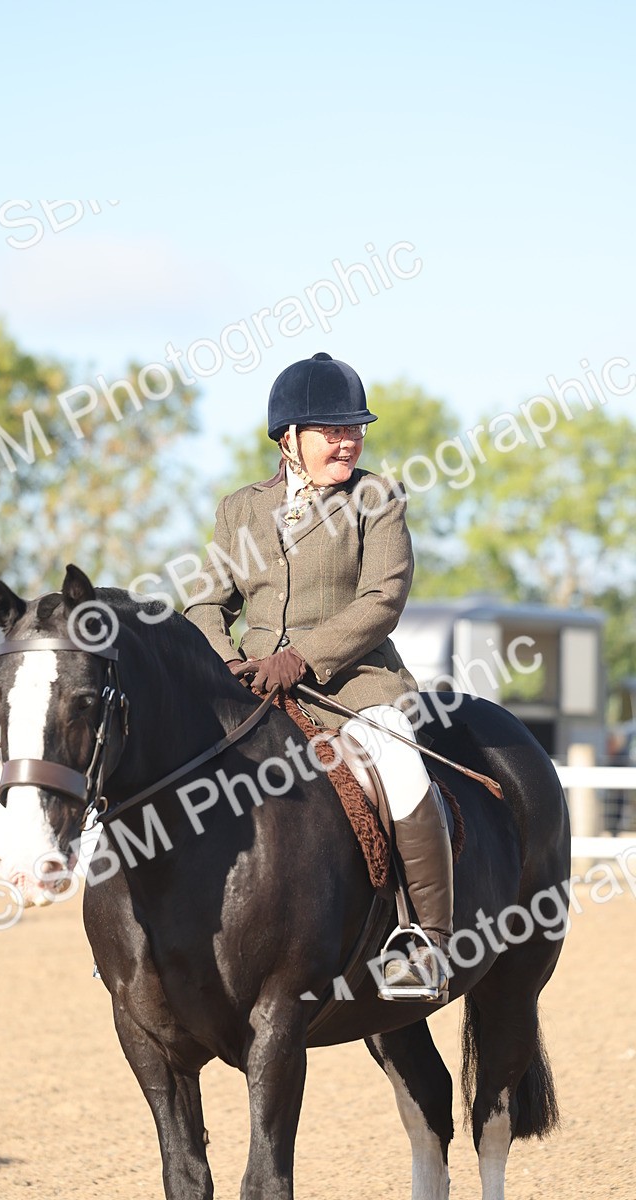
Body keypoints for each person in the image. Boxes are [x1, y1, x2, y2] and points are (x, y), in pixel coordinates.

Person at [183, 351, 453, 1000]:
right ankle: (162, 933)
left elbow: (382, 600)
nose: (347, 440)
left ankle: (427, 940)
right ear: (289, 439)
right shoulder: (239, 511)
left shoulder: (375, 498)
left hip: (353, 685)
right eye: (331, 430)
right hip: (251, 688)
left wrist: (300, 658)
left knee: (401, 762)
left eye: (354, 428)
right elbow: (203, 604)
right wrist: (224, 666)